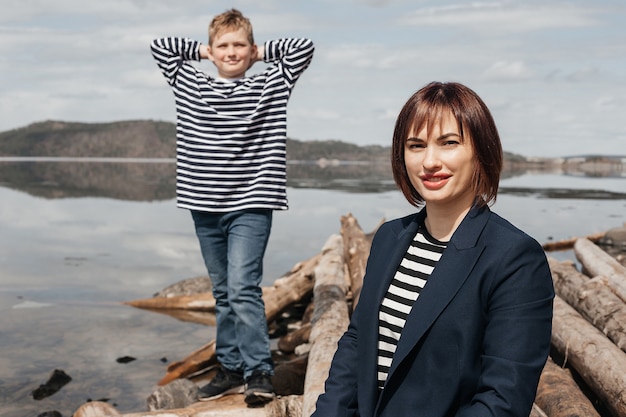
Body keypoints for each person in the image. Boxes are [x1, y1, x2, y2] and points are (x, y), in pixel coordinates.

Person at [312, 82, 554, 417]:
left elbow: (503, 400)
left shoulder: (515, 259)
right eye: (416, 145)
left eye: (449, 143)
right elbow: (357, 343)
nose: (429, 161)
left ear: (481, 151)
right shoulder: (389, 237)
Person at [150, 9, 314, 406]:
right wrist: (204, 52)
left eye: (239, 44)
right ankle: (229, 366)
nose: (231, 51)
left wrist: (258, 54)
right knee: (223, 292)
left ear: (252, 47)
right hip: (203, 206)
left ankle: (259, 370)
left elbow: (302, 48)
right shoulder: (189, 81)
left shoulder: (271, 84)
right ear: (211, 48)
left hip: (251, 205)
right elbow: (161, 48)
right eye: (223, 45)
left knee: (243, 289)